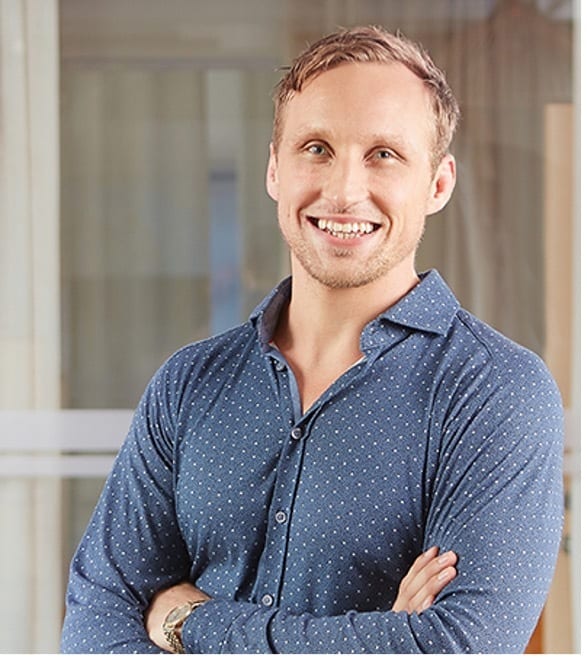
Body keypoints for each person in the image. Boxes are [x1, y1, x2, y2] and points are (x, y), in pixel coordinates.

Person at [61, 25, 563, 654]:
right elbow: (95, 622)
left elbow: (459, 646)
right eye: (317, 148)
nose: (345, 190)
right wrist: (381, 635)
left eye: (384, 153)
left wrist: (190, 622)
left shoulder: (494, 394)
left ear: (438, 184)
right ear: (275, 168)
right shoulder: (189, 384)